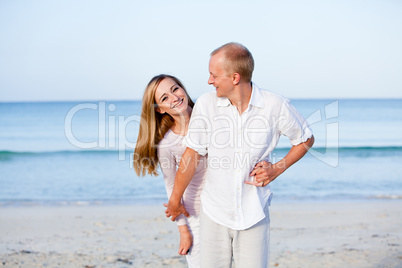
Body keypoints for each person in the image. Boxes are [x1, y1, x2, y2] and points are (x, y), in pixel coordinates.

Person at [165, 42, 315, 267]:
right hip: (213, 213)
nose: (209, 81)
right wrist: (175, 201)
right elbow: (192, 154)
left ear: (235, 78)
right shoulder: (207, 104)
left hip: (254, 213)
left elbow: (305, 138)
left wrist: (277, 168)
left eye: (214, 75)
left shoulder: (275, 105)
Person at [133, 74, 207, 268]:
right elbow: (171, 186)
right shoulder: (167, 144)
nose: (174, 98)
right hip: (195, 214)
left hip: (224, 206)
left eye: (175, 89)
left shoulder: (209, 115)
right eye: (165, 98)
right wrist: (183, 230)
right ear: (159, 109)